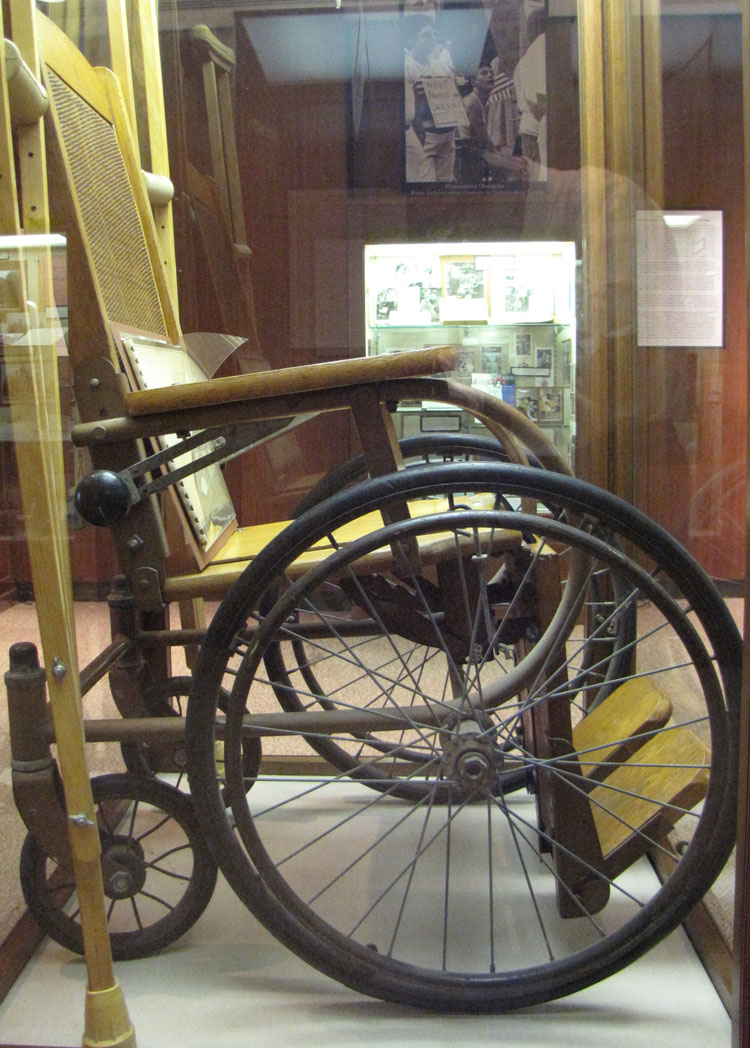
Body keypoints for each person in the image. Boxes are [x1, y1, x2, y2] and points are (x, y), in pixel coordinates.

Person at [404, 23, 459, 183]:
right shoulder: (406, 66)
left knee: (445, 184)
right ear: (410, 40)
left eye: (434, 34)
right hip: (424, 135)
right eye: (427, 35)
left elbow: (454, 97)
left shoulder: (441, 66)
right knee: (424, 184)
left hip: (447, 134)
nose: (433, 38)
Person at [458, 62, 527, 185]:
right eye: (484, 73)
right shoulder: (473, 102)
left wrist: (503, 157)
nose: (490, 75)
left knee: (520, 163)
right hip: (472, 155)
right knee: (518, 170)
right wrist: (504, 158)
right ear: (474, 82)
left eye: (491, 73)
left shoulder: (479, 100)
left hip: (477, 151)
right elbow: (483, 141)